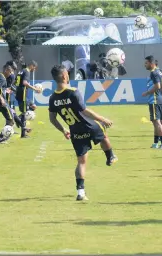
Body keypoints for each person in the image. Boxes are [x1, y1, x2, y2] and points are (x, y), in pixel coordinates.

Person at [47, 64, 117, 201]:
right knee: (103, 132)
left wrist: (63, 130)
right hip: (89, 125)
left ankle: (81, 192)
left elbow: (52, 119)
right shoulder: (73, 91)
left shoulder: (52, 98)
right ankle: (110, 156)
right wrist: (102, 118)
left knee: (82, 162)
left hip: (75, 131)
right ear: (64, 76)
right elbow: (84, 111)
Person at [141, 55, 162, 150]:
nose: (145, 65)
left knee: (157, 122)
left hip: (155, 100)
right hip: (159, 99)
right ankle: (156, 142)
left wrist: (147, 93)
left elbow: (158, 86)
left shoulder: (154, 73)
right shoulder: (159, 72)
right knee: (155, 122)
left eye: (146, 63)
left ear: (151, 64)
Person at [15, 61, 43, 138]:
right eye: (34, 67)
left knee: (33, 106)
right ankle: (23, 134)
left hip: (20, 93)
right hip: (22, 94)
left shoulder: (21, 71)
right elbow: (24, 83)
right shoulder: (26, 71)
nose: (34, 69)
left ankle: (19, 118)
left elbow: (16, 82)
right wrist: (34, 88)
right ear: (31, 65)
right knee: (24, 113)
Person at [0, 64, 16, 129]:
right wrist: (1, 99)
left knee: (10, 119)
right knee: (11, 121)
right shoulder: (2, 79)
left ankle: (4, 136)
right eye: (10, 72)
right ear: (6, 70)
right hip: (2, 102)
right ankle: (2, 136)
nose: (11, 73)